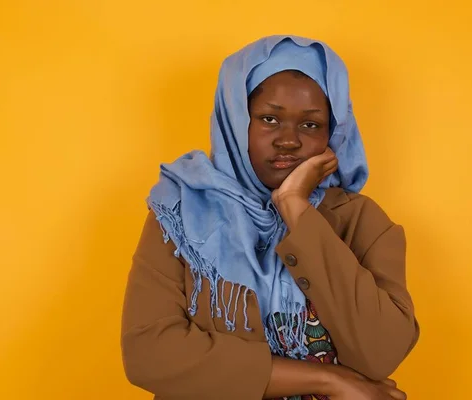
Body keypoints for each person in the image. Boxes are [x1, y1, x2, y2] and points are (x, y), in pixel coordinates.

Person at [121, 35, 419, 400]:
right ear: (235, 120)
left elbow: (381, 352)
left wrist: (296, 208)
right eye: (269, 119)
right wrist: (330, 380)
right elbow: (149, 355)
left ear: (333, 133)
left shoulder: (360, 221)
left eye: (310, 125)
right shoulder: (180, 214)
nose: (288, 140)